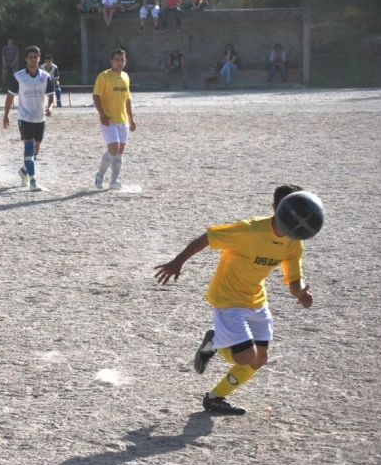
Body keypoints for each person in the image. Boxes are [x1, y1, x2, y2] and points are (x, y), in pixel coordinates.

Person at [153, 184, 314, 415]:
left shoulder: (294, 241)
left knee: (260, 359)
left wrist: (300, 294)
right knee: (246, 356)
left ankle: (214, 398)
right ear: (275, 208)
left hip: (256, 300)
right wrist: (178, 261)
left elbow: (294, 280)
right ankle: (217, 340)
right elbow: (208, 237)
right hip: (228, 296)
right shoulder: (249, 230)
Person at [3, 46, 54, 192]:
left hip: (40, 118)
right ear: (26, 59)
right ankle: (33, 181)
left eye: (35, 57)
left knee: (36, 151)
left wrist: (50, 107)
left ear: (39, 58)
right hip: (25, 118)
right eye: (30, 57)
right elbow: (10, 96)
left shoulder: (45, 76)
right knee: (29, 150)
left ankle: (23, 172)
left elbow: (51, 95)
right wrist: (6, 114)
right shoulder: (18, 76)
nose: (33, 59)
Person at [92, 48, 136, 190]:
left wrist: (131, 119)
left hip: (122, 120)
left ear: (125, 61)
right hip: (108, 119)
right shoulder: (104, 76)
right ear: (111, 61)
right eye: (116, 59)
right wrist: (102, 114)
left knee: (120, 150)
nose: (119, 62)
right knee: (114, 148)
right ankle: (100, 175)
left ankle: (114, 181)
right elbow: (96, 96)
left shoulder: (126, 77)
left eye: (122, 59)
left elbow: (127, 100)